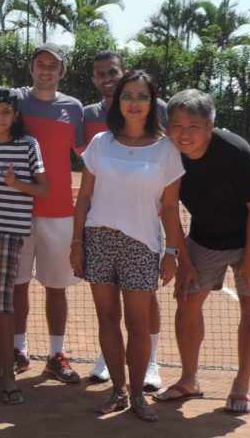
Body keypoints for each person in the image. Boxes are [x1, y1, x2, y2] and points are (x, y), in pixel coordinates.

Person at [155, 89, 250, 416]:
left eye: (194, 126)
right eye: (177, 125)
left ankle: (241, 384)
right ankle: (188, 380)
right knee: (187, 301)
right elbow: (169, 209)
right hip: (207, 235)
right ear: (168, 128)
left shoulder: (236, 152)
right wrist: (182, 259)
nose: (184, 134)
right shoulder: (167, 153)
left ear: (210, 127)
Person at [71, 70, 184, 422]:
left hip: (142, 246)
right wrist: (77, 243)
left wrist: (171, 253)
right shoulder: (100, 143)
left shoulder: (167, 149)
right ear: (118, 101)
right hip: (98, 239)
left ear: (152, 103)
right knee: (107, 319)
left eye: (142, 96)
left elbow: (170, 207)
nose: (134, 103)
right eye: (128, 96)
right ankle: (118, 391)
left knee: (138, 324)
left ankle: (137, 395)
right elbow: (84, 197)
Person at [82, 50, 165, 390]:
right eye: (100, 74)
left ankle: (150, 362)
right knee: (108, 314)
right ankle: (110, 361)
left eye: (112, 72)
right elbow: (87, 183)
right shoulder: (88, 116)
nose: (107, 79)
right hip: (101, 231)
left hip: (143, 230)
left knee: (144, 305)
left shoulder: (158, 112)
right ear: (93, 79)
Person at [0, 87, 49, 405]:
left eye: (5, 112)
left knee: (3, 304)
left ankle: (9, 379)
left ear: (15, 116)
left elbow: (44, 189)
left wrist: (18, 184)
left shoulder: (28, 145)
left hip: (10, 233)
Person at [14, 43, 84, 383]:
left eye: (52, 65)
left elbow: (88, 153)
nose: (45, 70)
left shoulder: (73, 108)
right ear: (31, 68)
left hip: (58, 212)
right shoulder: (14, 100)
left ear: (62, 72)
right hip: (16, 208)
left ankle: (56, 355)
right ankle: (18, 350)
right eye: (40, 63)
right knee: (17, 284)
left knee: (56, 287)